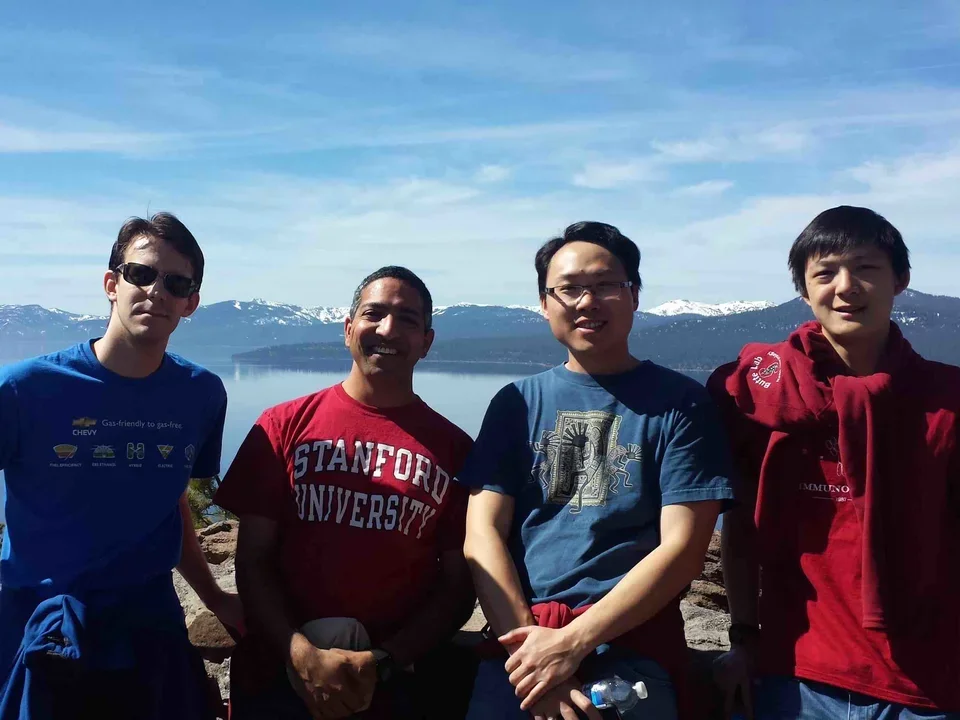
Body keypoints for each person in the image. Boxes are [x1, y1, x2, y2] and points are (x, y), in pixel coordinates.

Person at [461, 221, 736, 720]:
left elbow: (683, 549)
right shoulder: (516, 404)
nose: (587, 301)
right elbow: (481, 533)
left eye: (606, 285)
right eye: (568, 289)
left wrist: (571, 645)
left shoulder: (681, 405)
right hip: (521, 652)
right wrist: (533, 657)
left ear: (633, 295)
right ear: (545, 304)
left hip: (630, 653)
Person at [709, 206, 960, 719]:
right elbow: (737, 525)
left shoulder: (948, 399)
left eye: (866, 268)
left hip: (927, 682)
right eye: (824, 272)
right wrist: (742, 635)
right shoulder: (753, 394)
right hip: (793, 674)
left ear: (901, 280)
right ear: (803, 289)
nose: (846, 287)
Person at [0, 212, 242, 719]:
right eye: (141, 274)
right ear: (112, 283)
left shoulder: (199, 395)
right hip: (41, 624)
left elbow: (173, 503)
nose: (156, 291)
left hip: (147, 625)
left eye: (176, 283)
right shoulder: (24, 389)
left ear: (191, 303)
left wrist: (215, 598)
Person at [215, 266, 477, 719]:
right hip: (277, 676)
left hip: (390, 686)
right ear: (348, 329)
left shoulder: (455, 451)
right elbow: (252, 557)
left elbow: (457, 584)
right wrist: (298, 651)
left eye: (407, 319)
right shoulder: (282, 426)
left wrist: (385, 660)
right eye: (373, 313)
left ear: (427, 342)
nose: (388, 329)